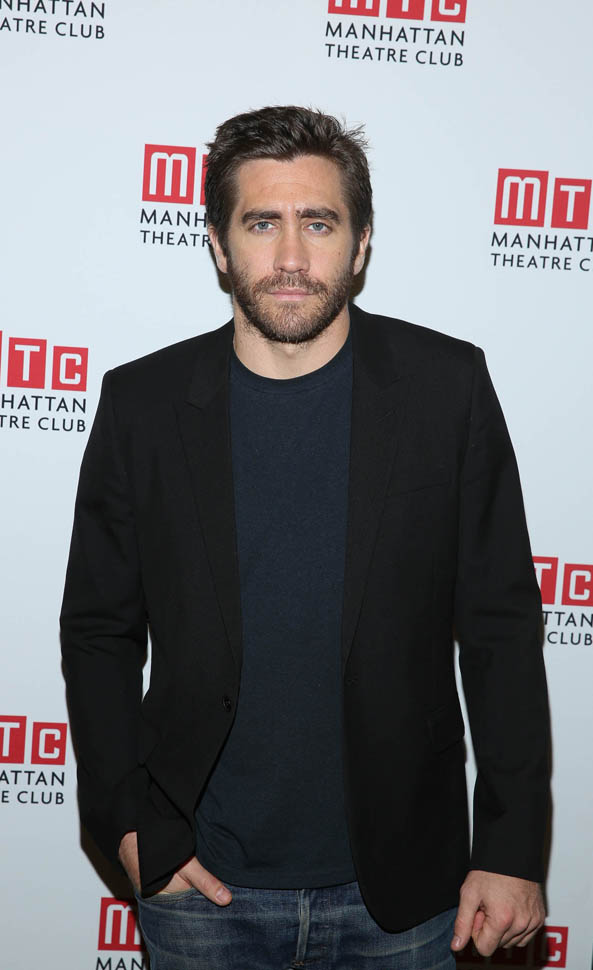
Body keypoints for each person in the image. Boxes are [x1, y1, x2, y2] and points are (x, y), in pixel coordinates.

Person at [60, 105, 550, 970]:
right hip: (199, 885)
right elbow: (99, 630)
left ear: (360, 245)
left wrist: (510, 849)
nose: (291, 257)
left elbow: (500, 628)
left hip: (404, 891)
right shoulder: (142, 405)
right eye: (261, 224)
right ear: (219, 245)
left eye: (318, 223)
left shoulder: (446, 389)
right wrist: (129, 824)